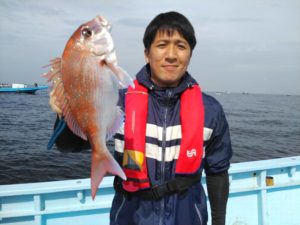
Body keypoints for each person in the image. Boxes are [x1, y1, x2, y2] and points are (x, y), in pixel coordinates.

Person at [51, 11, 232, 225]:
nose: (171, 55)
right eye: (162, 45)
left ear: (190, 54)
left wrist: (219, 221)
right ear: (147, 53)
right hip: (131, 217)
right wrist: (64, 111)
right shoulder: (118, 102)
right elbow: (68, 146)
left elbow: (218, 171)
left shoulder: (210, 110)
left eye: (181, 46)